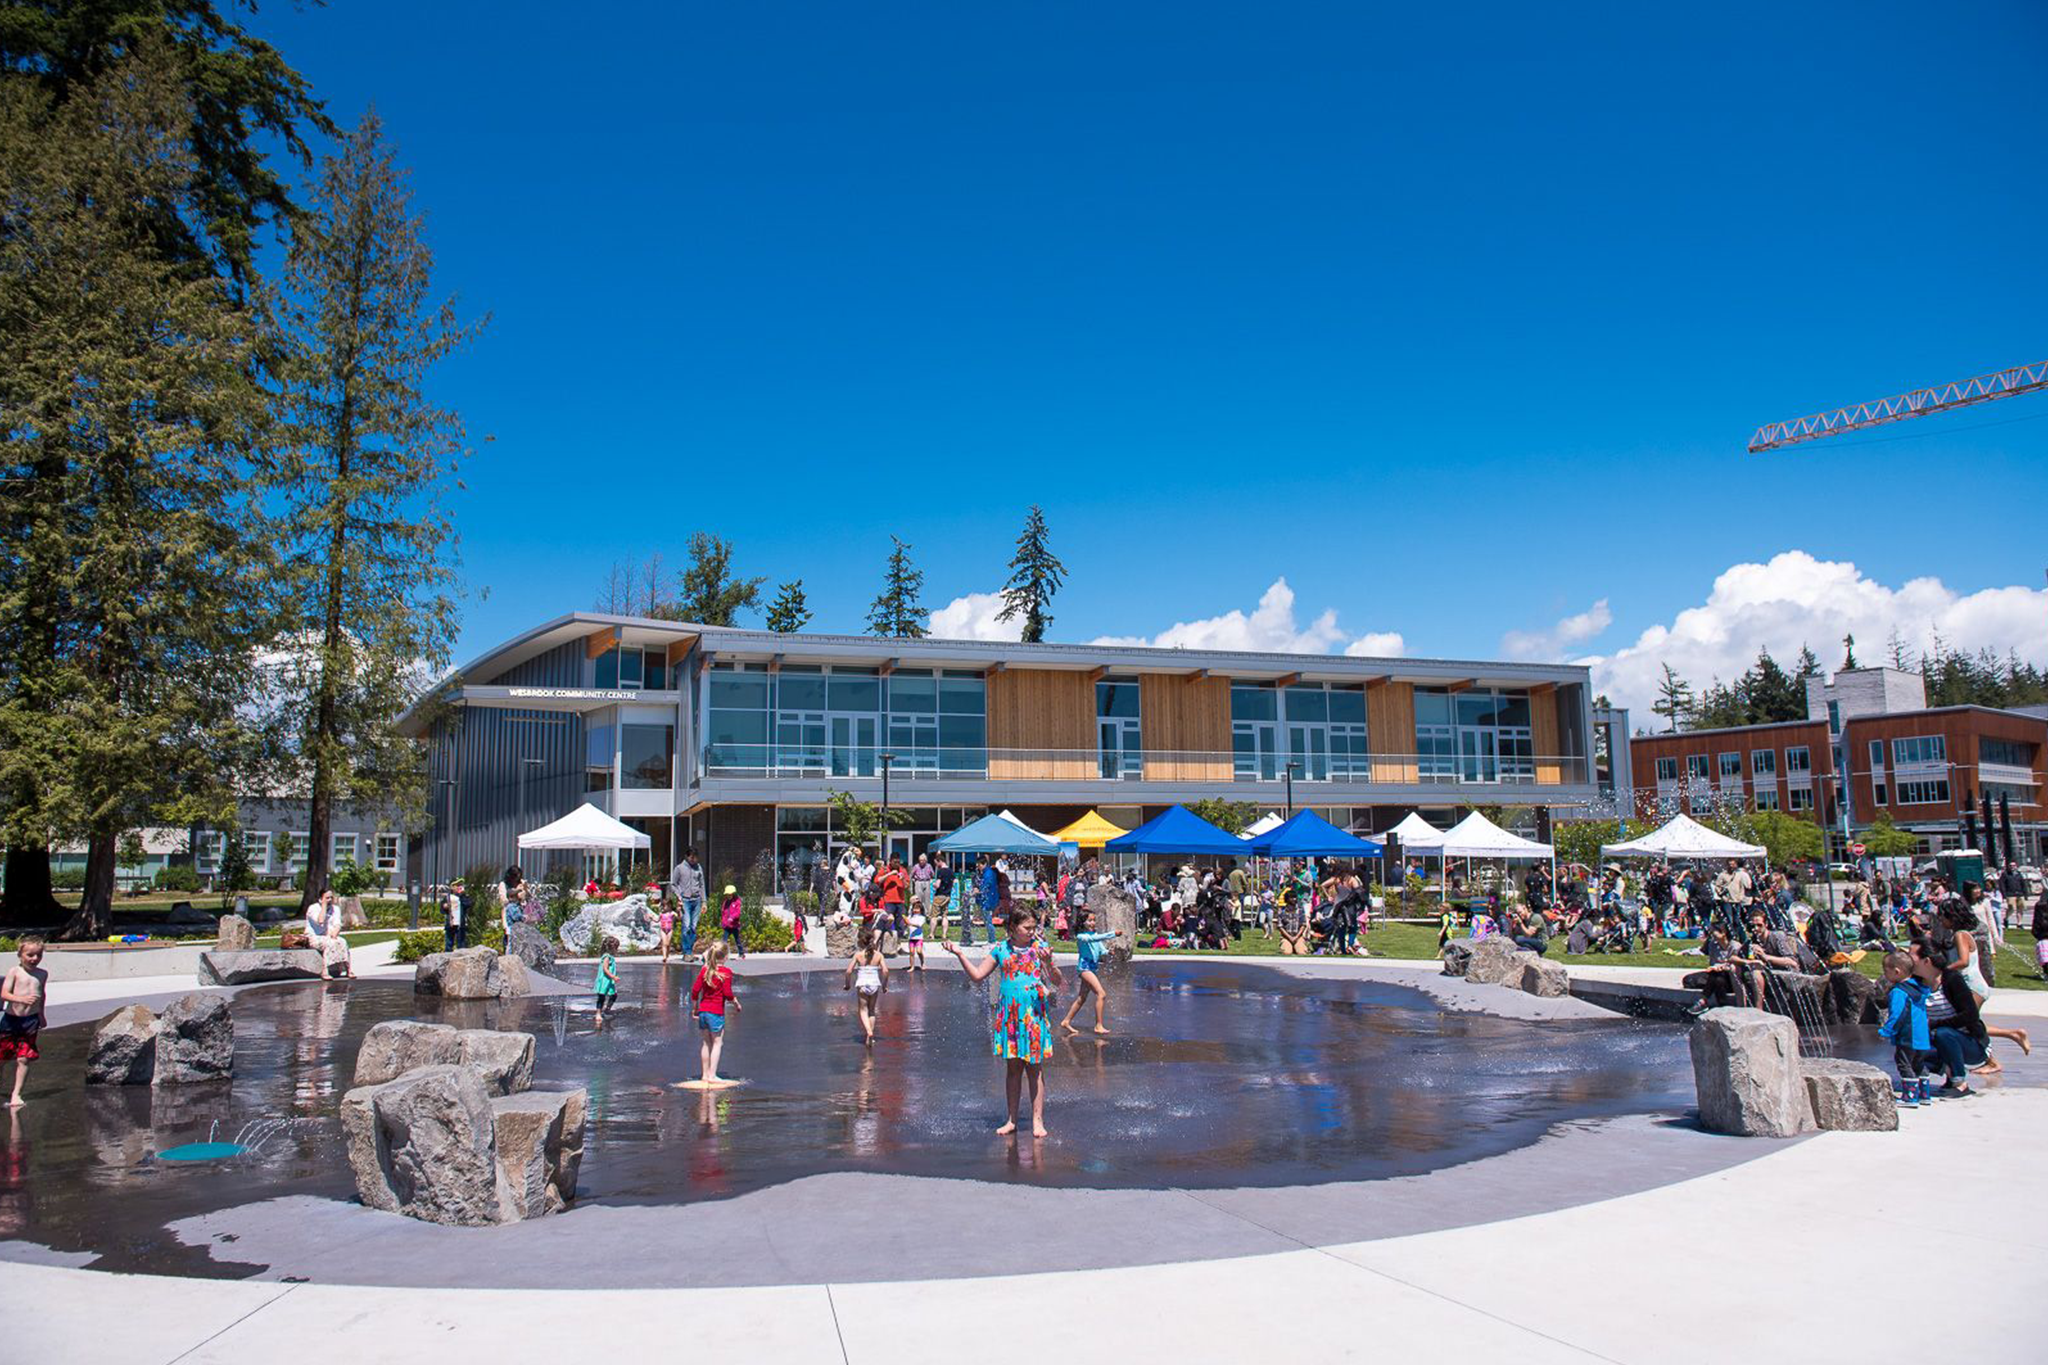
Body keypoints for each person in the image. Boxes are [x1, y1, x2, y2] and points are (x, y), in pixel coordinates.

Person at [942, 905, 1062, 1138]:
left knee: (1035, 1069)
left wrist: (1049, 963)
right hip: (1010, 1018)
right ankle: (1012, 1120)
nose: (1031, 931)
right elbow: (978, 976)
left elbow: (1057, 981)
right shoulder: (1000, 949)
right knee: (1013, 1069)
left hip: (1033, 1016)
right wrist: (959, 954)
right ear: (1012, 927)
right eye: (1027, 927)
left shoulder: (1040, 949)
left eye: (1033, 927)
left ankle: (1038, 1121)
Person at [1878, 950, 1934, 1106]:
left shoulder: (1899, 992)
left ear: (1896, 971)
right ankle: (1924, 1094)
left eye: (1886, 971)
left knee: (1904, 1063)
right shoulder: (1920, 989)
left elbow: (1897, 1014)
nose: (1885, 975)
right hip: (1923, 1036)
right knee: (1919, 1064)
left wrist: (1886, 1031)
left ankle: (1909, 1097)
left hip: (1908, 1035)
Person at [1, 936, 48, 1108]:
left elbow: (42, 995)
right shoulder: (15, 972)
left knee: (24, 1058)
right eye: (30, 955)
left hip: (30, 1021)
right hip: (11, 1020)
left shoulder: (42, 974)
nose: (34, 959)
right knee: (3, 1058)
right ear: (20, 955)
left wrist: (41, 1014)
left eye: (38, 955)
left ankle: (16, 1094)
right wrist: (20, 999)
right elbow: (4, 994)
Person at [1059, 912, 1124, 1035]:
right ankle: (1098, 1025)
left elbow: (1100, 950)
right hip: (1085, 969)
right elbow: (1093, 939)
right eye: (1089, 920)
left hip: (1092, 969)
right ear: (1082, 922)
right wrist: (1112, 934)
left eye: (1094, 920)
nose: (1092, 923)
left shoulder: (1095, 935)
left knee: (1082, 998)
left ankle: (1066, 1021)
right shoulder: (1081, 936)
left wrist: (1108, 952)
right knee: (1101, 994)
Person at [689, 940, 740, 1084]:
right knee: (717, 1043)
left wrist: (695, 1008)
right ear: (725, 957)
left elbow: (695, 990)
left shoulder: (705, 970)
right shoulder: (726, 972)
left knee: (706, 1043)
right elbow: (728, 994)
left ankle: (705, 1075)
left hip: (703, 1012)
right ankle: (712, 1075)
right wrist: (735, 1002)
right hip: (716, 1013)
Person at [843, 925, 889, 1046]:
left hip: (862, 985)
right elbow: (885, 971)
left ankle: (868, 1032)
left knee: (863, 1010)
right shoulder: (879, 955)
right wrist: (884, 985)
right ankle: (870, 1037)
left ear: (860, 941)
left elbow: (848, 971)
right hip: (874, 984)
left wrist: (847, 984)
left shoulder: (858, 955)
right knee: (872, 1011)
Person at [306, 889, 353, 979]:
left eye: (331, 897)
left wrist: (334, 934)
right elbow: (320, 921)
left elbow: (337, 924)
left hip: (329, 935)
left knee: (342, 941)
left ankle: (348, 969)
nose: (330, 899)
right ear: (321, 898)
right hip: (314, 937)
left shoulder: (335, 909)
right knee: (329, 943)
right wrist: (324, 906)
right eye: (327, 898)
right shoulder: (313, 908)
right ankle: (325, 971)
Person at [671, 849, 705, 960]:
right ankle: (687, 952)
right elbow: (673, 884)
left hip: (696, 900)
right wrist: (679, 896)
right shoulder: (679, 868)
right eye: (692, 857)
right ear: (687, 856)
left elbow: (702, 885)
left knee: (693, 927)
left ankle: (689, 951)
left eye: (696, 857)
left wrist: (704, 901)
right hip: (685, 900)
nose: (694, 859)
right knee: (686, 926)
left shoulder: (698, 868)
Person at [593, 937, 620, 1029]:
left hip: (609, 981)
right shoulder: (607, 957)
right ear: (611, 948)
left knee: (614, 995)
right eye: (616, 948)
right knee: (601, 997)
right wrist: (613, 976)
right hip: (604, 980)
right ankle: (598, 1013)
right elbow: (605, 969)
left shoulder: (610, 957)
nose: (617, 950)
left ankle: (607, 1009)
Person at [718, 884, 746, 959]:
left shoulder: (737, 902)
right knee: (724, 940)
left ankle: (741, 953)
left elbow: (737, 912)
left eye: (730, 895)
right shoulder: (725, 902)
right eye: (727, 895)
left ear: (733, 894)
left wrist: (732, 917)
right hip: (727, 925)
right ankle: (722, 955)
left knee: (737, 940)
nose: (729, 896)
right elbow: (723, 912)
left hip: (734, 925)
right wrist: (723, 922)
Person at [933, 856, 956, 937]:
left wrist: (934, 885)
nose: (936, 865)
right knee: (944, 916)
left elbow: (938, 885)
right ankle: (944, 934)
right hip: (947, 895)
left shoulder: (940, 871)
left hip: (939, 895)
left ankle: (931, 934)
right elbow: (953, 883)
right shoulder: (951, 871)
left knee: (934, 916)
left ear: (940, 861)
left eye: (936, 863)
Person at [443, 876, 467, 951]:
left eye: (460, 885)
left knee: (461, 943)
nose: (459, 887)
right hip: (451, 923)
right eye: (457, 885)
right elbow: (442, 908)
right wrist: (445, 906)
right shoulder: (448, 897)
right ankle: (448, 955)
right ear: (452, 887)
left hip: (460, 923)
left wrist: (462, 895)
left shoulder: (463, 897)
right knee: (449, 942)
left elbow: (468, 904)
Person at [905, 898, 927, 971]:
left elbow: (919, 925)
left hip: (918, 938)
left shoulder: (922, 917)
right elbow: (907, 922)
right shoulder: (910, 916)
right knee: (911, 952)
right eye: (914, 908)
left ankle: (922, 963)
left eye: (917, 909)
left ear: (921, 910)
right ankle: (912, 966)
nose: (915, 910)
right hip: (911, 938)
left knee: (919, 951)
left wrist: (910, 923)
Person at [658, 896, 677, 963]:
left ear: (670, 906)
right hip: (663, 929)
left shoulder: (672, 913)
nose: (666, 907)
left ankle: (667, 954)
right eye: (664, 906)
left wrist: (680, 911)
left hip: (670, 929)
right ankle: (664, 957)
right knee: (664, 943)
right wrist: (651, 918)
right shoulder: (661, 914)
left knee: (668, 943)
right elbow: (657, 920)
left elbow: (679, 917)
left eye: (668, 906)